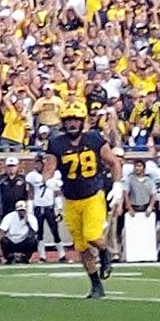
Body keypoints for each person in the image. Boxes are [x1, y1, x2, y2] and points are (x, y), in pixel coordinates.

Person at [51, 100, 117, 299]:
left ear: (83, 122)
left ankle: (105, 252)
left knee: (91, 235)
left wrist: (118, 184)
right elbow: (49, 169)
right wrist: (50, 181)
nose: (72, 124)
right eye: (69, 120)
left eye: (76, 120)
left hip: (92, 196)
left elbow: (114, 162)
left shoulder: (94, 139)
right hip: (70, 199)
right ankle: (96, 285)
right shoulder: (56, 143)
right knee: (80, 247)